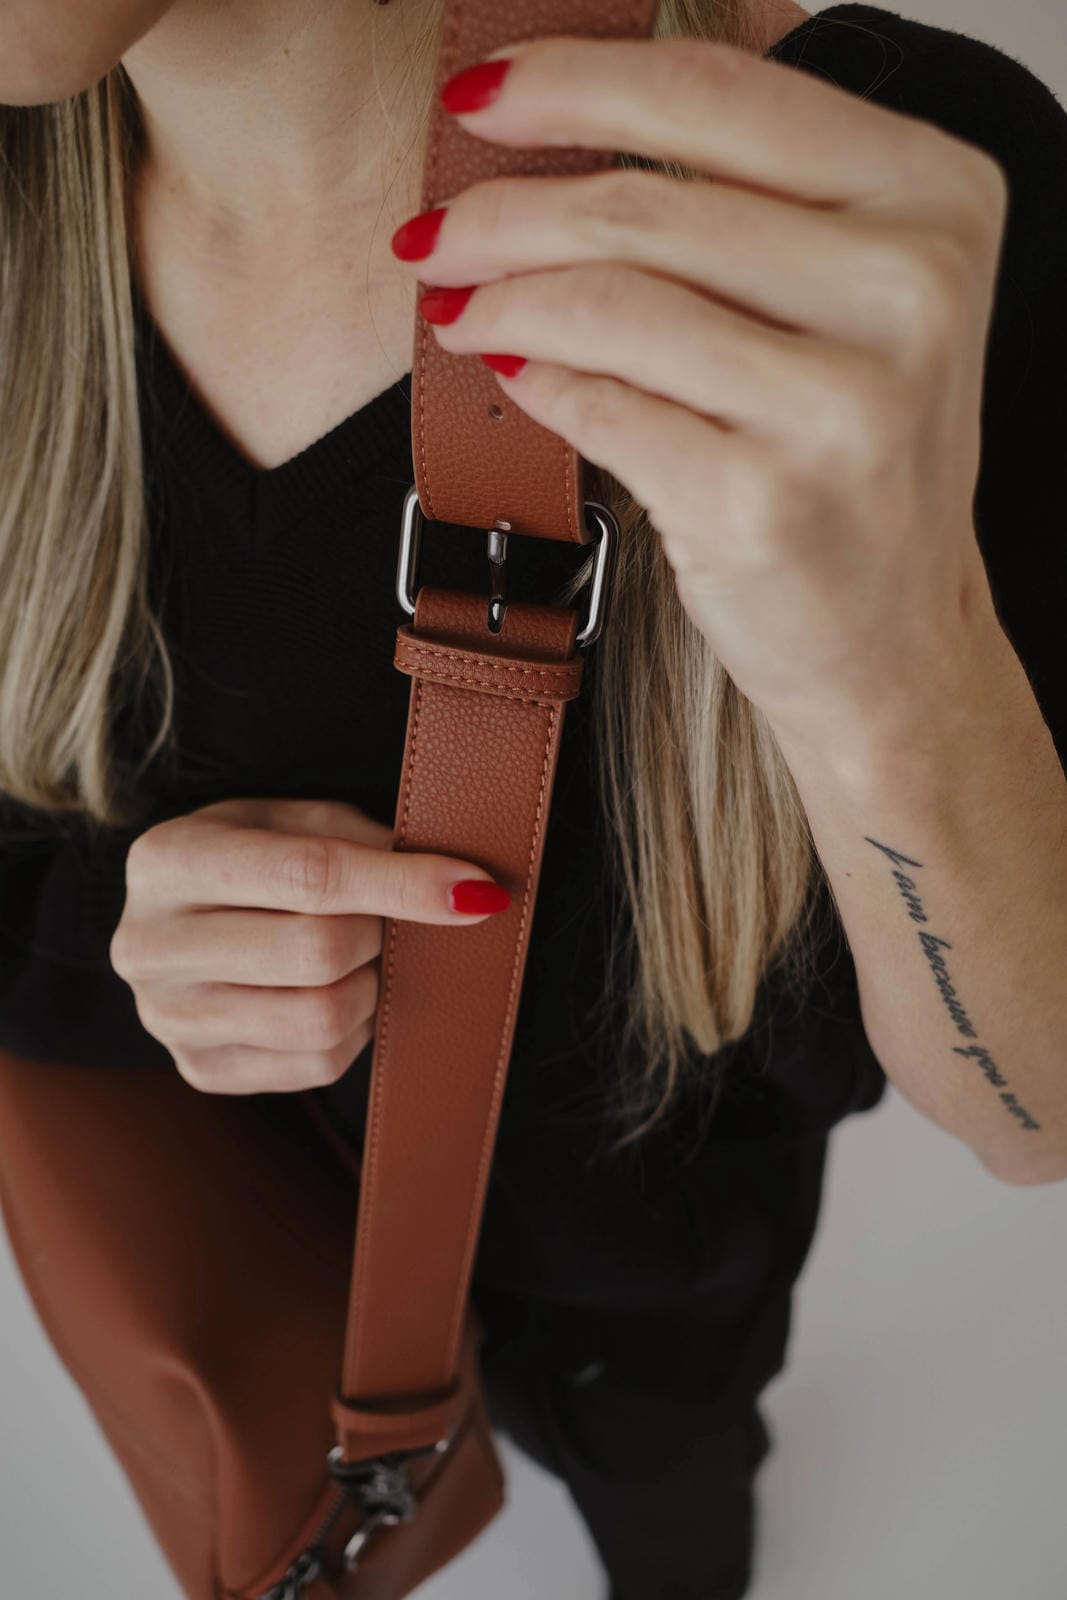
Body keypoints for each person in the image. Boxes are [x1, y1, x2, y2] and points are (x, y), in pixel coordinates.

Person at [1, 3, 1065, 1597]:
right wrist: (121, 943)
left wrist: (894, 653)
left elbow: (1039, 1112)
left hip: (664, 1312)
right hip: (283, 1235)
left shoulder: (862, 212)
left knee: (683, 1522)